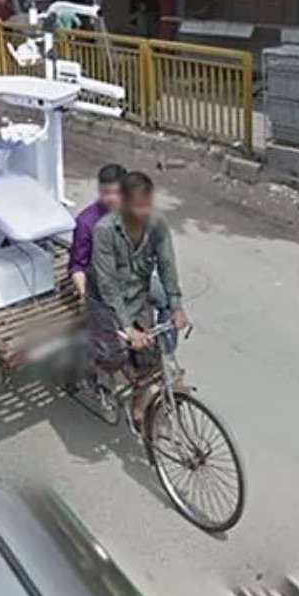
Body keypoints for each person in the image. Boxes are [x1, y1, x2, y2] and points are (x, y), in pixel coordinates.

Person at [86, 171, 189, 427]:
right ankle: (101, 381)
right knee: (115, 357)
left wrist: (176, 305)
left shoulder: (157, 225)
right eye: (137, 206)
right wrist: (127, 327)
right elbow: (108, 286)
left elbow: (167, 266)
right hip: (105, 304)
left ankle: (139, 398)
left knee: (148, 355)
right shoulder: (105, 231)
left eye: (147, 204)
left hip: (137, 296)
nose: (143, 212)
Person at [69, 164, 126, 299]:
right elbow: (78, 266)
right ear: (99, 190)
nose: (111, 198)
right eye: (106, 192)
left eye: (117, 192)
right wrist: (84, 292)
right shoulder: (86, 222)